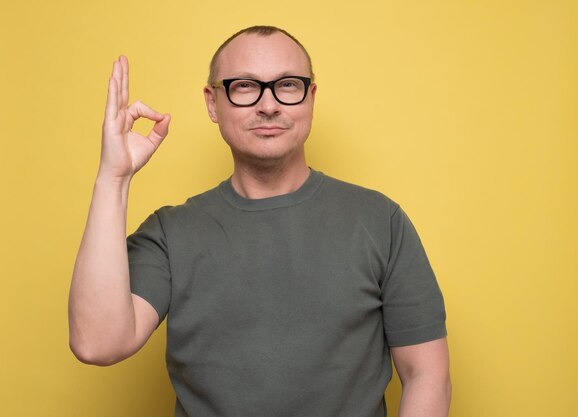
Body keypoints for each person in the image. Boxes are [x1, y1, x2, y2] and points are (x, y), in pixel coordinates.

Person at [69, 26, 451, 417]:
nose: (268, 105)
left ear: (311, 98)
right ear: (213, 102)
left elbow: (427, 375)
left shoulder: (379, 220)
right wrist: (113, 177)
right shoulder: (171, 233)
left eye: (287, 85)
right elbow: (98, 343)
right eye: (245, 86)